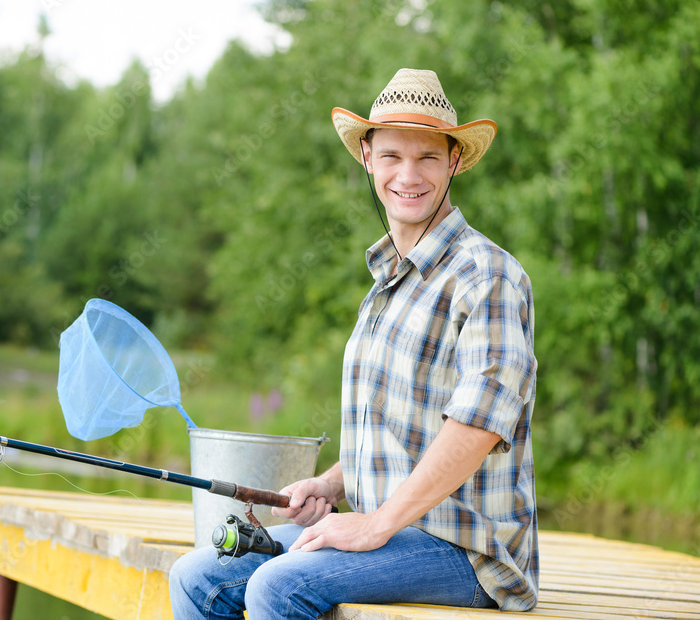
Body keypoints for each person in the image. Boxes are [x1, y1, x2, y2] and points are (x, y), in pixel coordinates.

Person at [169, 68, 538, 618]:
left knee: (278, 586)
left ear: (455, 162)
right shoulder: (387, 282)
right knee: (196, 576)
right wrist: (329, 483)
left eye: (428, 157)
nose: (408, 175)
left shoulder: (488, 276)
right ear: (367, 157)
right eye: (391, 156)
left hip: (467, 552)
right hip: (391, 535)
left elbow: (479, 427)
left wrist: (374, 523)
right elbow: (396, 430)